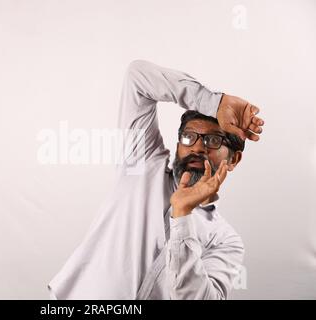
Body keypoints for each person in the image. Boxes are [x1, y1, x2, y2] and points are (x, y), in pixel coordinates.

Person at [47, 60, 264, 299]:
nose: (198, 148)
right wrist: (214, 102)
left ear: (234, 160)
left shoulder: (225, 241)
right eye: (189, 137)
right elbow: (137, 78)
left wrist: (182, 215)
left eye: (213, 140)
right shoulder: (141, 163)